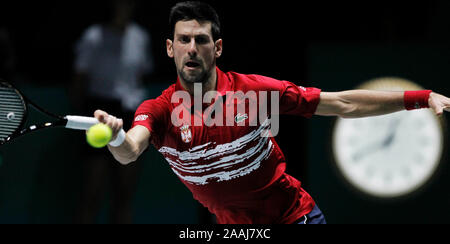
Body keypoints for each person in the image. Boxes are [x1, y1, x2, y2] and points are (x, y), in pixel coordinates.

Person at [93, 1, 450, 224]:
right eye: (183, 40)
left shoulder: (254, 92)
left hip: (294, 218)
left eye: (201, 40)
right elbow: (129, 151)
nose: (192, 48)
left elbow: (342, 103)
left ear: (216, 48)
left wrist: (421, 97)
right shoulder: (158, 110)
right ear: (170, 49)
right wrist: (116, 136)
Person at [72, 0, 154, 223]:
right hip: (97, 112)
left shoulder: (140, 37)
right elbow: (79, 78)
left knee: (125, 194)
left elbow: (139, 75)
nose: (124, 7)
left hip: (130, 114)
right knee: (91, 193)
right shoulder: (93, 36)